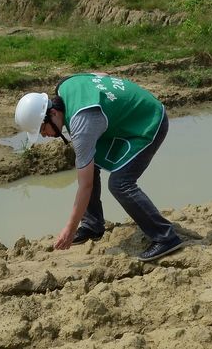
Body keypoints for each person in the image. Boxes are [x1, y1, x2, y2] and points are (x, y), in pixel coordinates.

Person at [14, 73, 185, 262]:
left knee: (120, 184)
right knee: (86, 162)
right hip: (127, 116)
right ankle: (93, 225)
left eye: (42, 129)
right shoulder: (64, 86)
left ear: (52, 113)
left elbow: (85, 185)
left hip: (149, 121)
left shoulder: (81, 124)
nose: (44, 135)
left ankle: (165, 236)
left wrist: (69, 230)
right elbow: (100, 76)